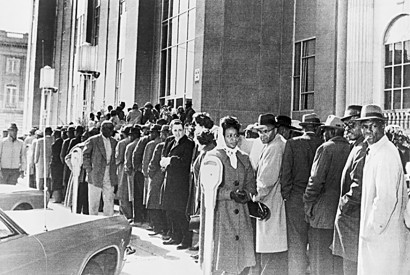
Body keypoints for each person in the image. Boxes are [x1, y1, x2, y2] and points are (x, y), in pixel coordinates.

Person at [355, 104, 410, 274]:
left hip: (382, 238)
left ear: (383, 126)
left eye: (373, 125)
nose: (368, 131)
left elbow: (385, 199)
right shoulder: (376, 150)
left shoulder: (386, 154)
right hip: (380, 238)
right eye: (364, 126)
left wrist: (370, 230)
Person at [199, 116, 256, 274]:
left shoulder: (244, 158)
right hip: (221, 214)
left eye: (236, 135)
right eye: (229, 135)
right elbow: (207, 188)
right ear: (223, 137)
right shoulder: (213, 157)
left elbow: (251, 183)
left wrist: (248, 194)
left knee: (242, 259)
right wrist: (229, 194)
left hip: (242, 215)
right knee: (222, 260)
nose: (233, 139)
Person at [303, 115, 350, 275]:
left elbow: (315, 181)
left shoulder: (325, 148)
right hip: (340, 215)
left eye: (325, 130)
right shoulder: (351, 148)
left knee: (319, 262)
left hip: (321, 216)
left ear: (331, 131)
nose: (323, 134)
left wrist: (308, 204)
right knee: (336, 263)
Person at [280, 113, 323, 275]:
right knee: (316, 244)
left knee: (296, 245)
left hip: (295, 200)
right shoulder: (323, 143)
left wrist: (287, 195)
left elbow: (286, 174)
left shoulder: (292, 144)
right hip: (317, 201)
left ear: (304, 128)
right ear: (318, 128)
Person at [331, 105, 365, 275]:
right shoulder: (356, 147)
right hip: (349, 223)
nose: (347, 129)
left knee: (351, 269)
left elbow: (357, 190)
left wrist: (343, 208)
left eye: (352, 124)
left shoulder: (362, 149)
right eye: (346, 125)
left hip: (352, 223)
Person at [252, 114, 288, 275]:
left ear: (275, 129)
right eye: (260, 132)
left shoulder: (275, 147)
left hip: (271, 203)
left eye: (266, 131)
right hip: (272, 201)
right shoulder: (273, 144)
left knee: (270, 250)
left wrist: (253, 197)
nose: (263, 135)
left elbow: (266, 180)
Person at [160, 119, 195, 250]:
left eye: (180, 130)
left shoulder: (189, 143)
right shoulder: (169, 141)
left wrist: (171, 160)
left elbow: (185, 162)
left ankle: (185, 240)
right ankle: (174, 235)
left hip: (181, 182)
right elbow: (163, 155)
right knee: (170, 209)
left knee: (181, 211)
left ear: (184, 130)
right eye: (175, 130)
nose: (178, 133)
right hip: (169, 179)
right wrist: (163, 163)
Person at [83, 121, 118, 216]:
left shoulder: (114, 142)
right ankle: (92, 220)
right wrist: (89, 169)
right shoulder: (93, 140)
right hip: (95, 173)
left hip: (109, 173)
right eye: (109, 129)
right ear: (102, 129)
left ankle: (108, 220)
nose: (111, 132)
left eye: (112, 129)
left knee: (109, 199)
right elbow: (85, 155)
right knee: (94, 201)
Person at [145, 125, 169, 235]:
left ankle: (157, 227)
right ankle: (164, 228)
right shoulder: (172, 146)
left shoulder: (160, 146)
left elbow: (153, 163)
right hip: (167, 178)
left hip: (157, 177)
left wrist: (151, 174)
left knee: (154, 203)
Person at [142, 124, 162, 230]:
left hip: (153, 176)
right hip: (161, 176)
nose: (150, 134)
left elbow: (147, 160)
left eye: (152, 132)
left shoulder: (152, 144)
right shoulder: (165, 143)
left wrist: (147, 173)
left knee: (151, 201)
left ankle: (153, 224)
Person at [121, 126, 142, 220]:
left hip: (131, 173)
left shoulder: (130, 146)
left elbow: (127, 162)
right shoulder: (142, 143)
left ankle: (134, 216)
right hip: (140, 172)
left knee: (132, 195)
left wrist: (128, 169)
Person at [34, 127, 53, 194]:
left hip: (41, 162)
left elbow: (37, 153)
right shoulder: (53, 140)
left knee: (41, 178)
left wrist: (35, 161)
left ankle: (40, 193)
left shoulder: (40, 141)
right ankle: (49, 193)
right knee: (48, 178)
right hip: (51, 161)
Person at [50, 129, 64, 203]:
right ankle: (60, 197)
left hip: (56, 165)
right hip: (61, 165)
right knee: (60, 181)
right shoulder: (63, 142)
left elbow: (54, 155)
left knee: (55, 181)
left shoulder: (55, 144)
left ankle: (57, 198)